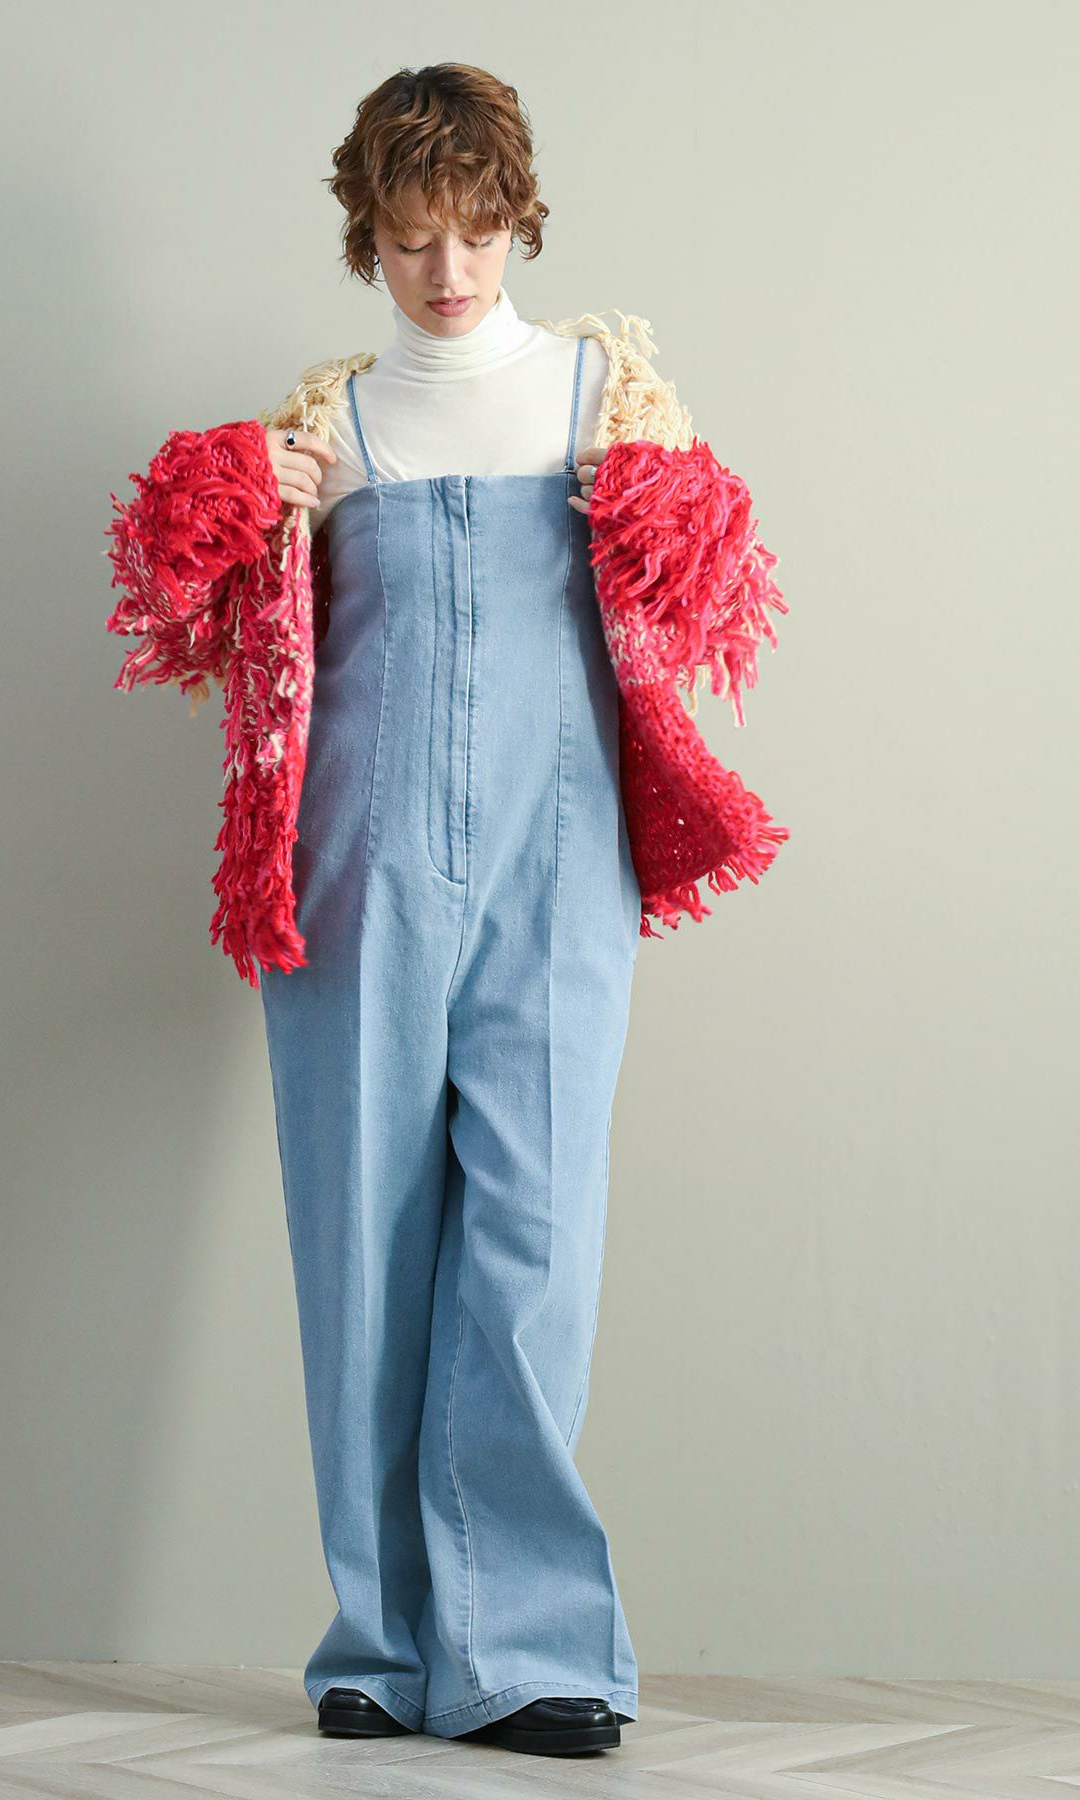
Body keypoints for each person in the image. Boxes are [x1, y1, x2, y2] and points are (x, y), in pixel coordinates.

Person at [259, 64, 641, 1759]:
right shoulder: (328, 427)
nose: (449, 271)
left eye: (476, 232)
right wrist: (247, 526)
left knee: (533, 1240)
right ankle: (379, 1644)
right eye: (413, 237)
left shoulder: (603, 395)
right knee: (363, 1234)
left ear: (516, 220)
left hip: (564, 857)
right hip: (360, 861)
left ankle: (530, 1650)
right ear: (372, 237)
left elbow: (686, 614)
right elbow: (239, 659)